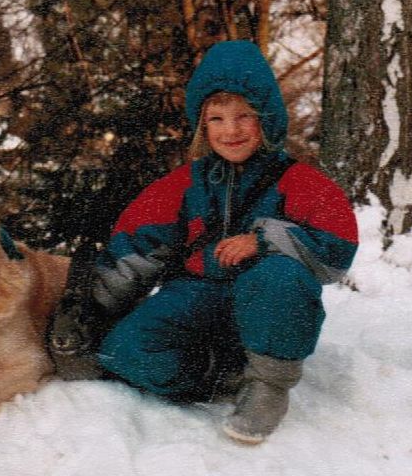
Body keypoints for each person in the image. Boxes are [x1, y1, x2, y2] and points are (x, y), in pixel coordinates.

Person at [89, 40, 358, 443]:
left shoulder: (299, 182)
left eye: (244, 116)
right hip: (200, 299)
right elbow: (138, 247)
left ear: (265, 118)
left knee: (279, 276)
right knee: (122, 352)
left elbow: (336, 248)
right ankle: (223, 374)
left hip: (269, 303)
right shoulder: (184, 184)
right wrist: (92, 308)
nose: (230, 130)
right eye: (216, 118)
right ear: (202, 125)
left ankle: (267, 385)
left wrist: (265, 240)